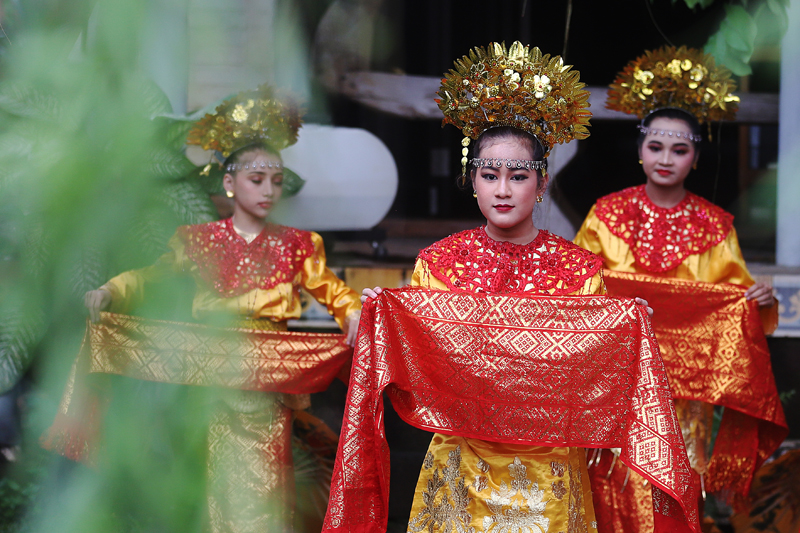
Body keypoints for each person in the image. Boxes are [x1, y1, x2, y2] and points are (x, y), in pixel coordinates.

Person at [361, 41, 658, 533]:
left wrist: (626, 330)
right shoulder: (436, 264)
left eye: (518, 176)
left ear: (540, 184)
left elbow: (589, 379)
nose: (503, 189)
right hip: (460, 462)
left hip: (547, 470)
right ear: (471, 180)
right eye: (489, 174)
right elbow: (422, 368)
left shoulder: (580, 272)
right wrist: (386, 318)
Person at [77, 84, 362, 532]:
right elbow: (151, 276)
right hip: (208, 373)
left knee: (268, 483)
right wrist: (112, 291)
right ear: (228, 184)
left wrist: (352, 313)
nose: (268, 190)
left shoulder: (298, 245)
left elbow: (332, 291)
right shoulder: (197, 242)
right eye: (256, 179)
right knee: (205, 482)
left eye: (276, 181)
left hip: (269, 379)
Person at [574, 46, 784, 533]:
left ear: (695, 157)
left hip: (682, 398)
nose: (665, 159)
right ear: (640, 148)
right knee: (610, 492)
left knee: (672, 491)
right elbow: (578, 296)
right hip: (616, 389)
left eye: (680, 149)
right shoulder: (605, 215)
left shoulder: (715, 227)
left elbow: (736, 313)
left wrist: (759, 303)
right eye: (656, 147)